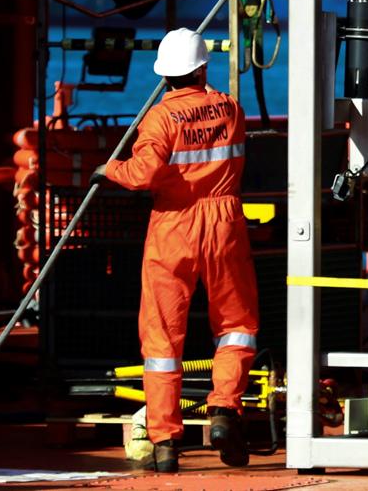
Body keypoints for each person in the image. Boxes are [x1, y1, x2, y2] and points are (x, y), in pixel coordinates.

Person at [92, 28, 258, 473]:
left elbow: (143, 172)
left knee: (163, 339)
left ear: (164, 75)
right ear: (202, 68)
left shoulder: (160, 119)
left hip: (173, 226)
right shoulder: (230, 107)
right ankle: (224, 408)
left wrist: (110, 169)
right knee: (236, 325)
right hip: (224, 223)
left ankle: (166, 443)